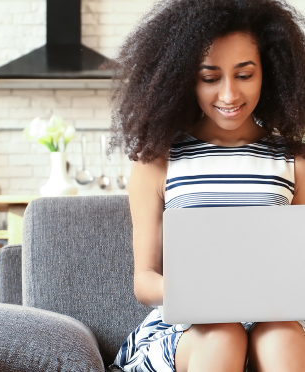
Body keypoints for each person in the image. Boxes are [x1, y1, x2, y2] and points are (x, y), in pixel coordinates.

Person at [101, 0, 305, 371]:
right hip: (188, 329)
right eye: (210, 78)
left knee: (281, 334)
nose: (229, 96)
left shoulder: (295, 162)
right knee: (223, 333)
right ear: (184, 79)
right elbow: (145, 281)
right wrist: (202, 292)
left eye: (244, 75)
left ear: (270, 73)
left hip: (274, 322)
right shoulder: (157, 161)